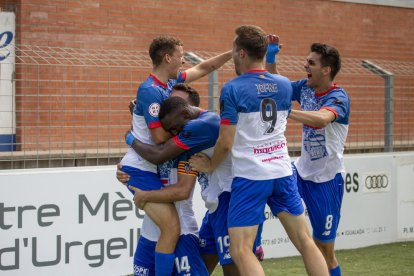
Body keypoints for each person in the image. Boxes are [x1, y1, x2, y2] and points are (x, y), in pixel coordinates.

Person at [189, 25, 329, 276]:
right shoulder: (284, 84)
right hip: (283, 172)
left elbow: (225, 142)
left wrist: (210, 166)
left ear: (242, 53)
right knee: (306, 241)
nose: (231, 54)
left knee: (241, 250)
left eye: (233, 49)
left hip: (251, 176)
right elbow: (272, 87)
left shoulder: (232, 88)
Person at [120, 35, 231, 276]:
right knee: (170, 227)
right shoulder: (150, 90)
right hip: (142, 167)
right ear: (167, 57)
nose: (183, 62)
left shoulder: (169, 86)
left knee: (172, 228)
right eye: (180, 56)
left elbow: (204, 67)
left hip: (148, 170)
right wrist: (131, 137)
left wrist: (232, 53)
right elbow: (159, 140)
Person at [266, 38, 350, 276]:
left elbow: (322, 118)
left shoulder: (339, 97)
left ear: (327, 69)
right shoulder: (305, 87)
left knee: (325, 251)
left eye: (311, 63)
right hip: (299, 171)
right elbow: (279, 86)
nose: (306, 66)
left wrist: (287, 111)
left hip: (327, 181)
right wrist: (271, 57)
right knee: (263, 185)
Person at [118, 84, 209, 276]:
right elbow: (139, 159)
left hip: (182, 232)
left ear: (187, 112)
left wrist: (145, 196)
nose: (167, 105)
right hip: (150, 234)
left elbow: (182, 191)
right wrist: (125, 171)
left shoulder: (190, 146)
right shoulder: (156, 142)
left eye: (176, 103)